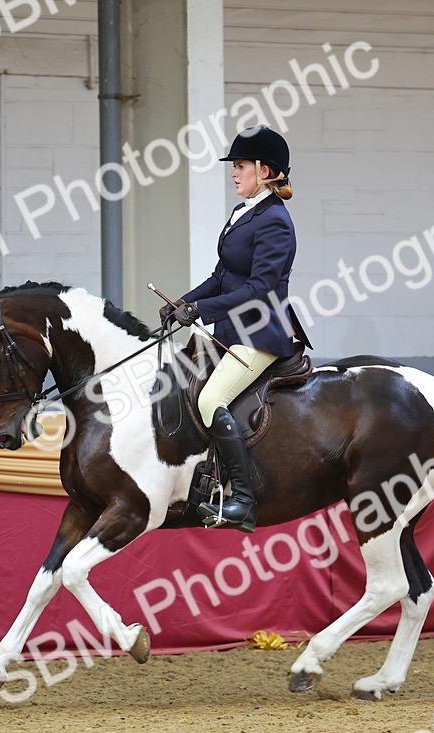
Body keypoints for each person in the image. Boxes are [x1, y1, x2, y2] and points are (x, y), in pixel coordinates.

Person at [159, 125, 308, 533]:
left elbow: (259, 289)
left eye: (240, 166)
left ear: (265, 170)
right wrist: (183, 302)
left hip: (260, 332)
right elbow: (221, 275)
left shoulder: (276, 220)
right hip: (231, 328)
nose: (234, 173)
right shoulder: (244, 213)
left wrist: (201, 310)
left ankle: (242, 501)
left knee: (210, 400)